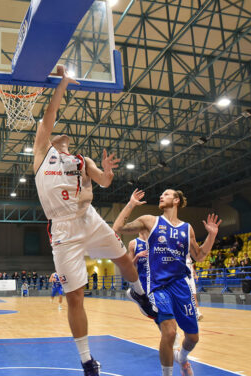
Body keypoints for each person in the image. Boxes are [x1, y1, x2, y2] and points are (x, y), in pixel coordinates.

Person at [32, 66, 156, 376]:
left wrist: (107, 170)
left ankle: (138, 293)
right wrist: (62, 83)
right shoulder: (41, 153)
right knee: (75, 296)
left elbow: (104, 182)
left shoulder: (80, 160)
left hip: (88, 218)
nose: (63, 136)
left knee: (125, 260)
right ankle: (87, 360)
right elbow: (50, 113)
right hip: (61, 228)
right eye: (58, 134)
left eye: (67, 138)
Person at [112, 188, 221, 376]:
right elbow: (117, 228)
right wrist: (130, 204)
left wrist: (211, 235)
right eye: (161, 194)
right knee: (170, 333)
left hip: (181, 285)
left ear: (177, 200)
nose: (161, 196)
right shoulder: (150, 221)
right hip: (159, 286)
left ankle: (183, 358)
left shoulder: (187, 228)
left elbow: (200, 256)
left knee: (193, 338)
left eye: (167, 194)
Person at [185, 254, 202, 321]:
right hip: (184, 277)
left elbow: (191, 266)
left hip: (190, 278)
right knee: (185, 297)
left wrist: (195, 274)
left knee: (194, 296)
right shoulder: (179, 255)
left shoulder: (188, 257)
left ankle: (197, 313)